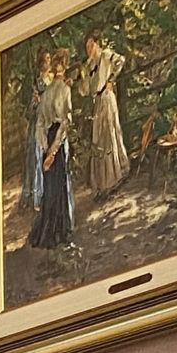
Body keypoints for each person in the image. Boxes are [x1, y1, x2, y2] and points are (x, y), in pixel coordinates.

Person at [82, 32, 129, 195]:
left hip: (107, 97)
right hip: (97, 102)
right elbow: (85, 90)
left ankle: (115, 177)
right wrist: (83, 78)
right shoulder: (89, 65)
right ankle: (102, 183)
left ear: (97, 43)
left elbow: (121, 60)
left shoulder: (106, 55)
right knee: (99, 139)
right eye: (87, 46)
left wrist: (111, 80)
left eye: (91, 45)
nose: (89, 49)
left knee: (109, 134)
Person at [26, 50, 73, 213]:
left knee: (50, 184)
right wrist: (52, 151)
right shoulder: (64, 89)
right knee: (60, 184)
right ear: (65, 67)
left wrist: (45, 148)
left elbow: (40, 125)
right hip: (57, 141)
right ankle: (61, 224)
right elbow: (65, 122)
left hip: (48, 138)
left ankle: (49, 220)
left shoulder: (47, 92)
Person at [26, 121, 75, 250]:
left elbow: (64, 124)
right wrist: (46, 149)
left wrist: (52, 152)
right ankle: (49, 231)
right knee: (50, 188)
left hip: (57, 146)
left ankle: (61, 230)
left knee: (58, 187)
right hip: (47, 143)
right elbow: (40, 125)